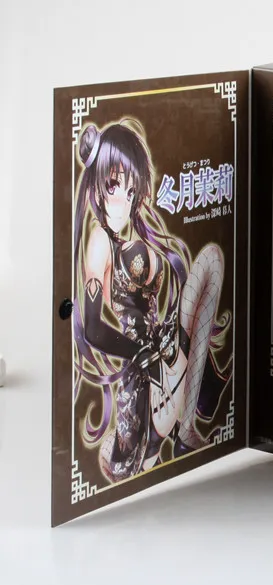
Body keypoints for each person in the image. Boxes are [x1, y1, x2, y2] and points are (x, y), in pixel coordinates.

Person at [72, 118, 231, 482]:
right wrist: (139, 352)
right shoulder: (99, 241)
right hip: (144, 374)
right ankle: (182, 430)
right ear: (97, 186)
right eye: (114, 186)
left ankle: (186, 427)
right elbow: (93, 328)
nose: (123, 201)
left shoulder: (132, 237)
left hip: (164, 348)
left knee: (211, 259)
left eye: (131, 191)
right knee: (211, 261)